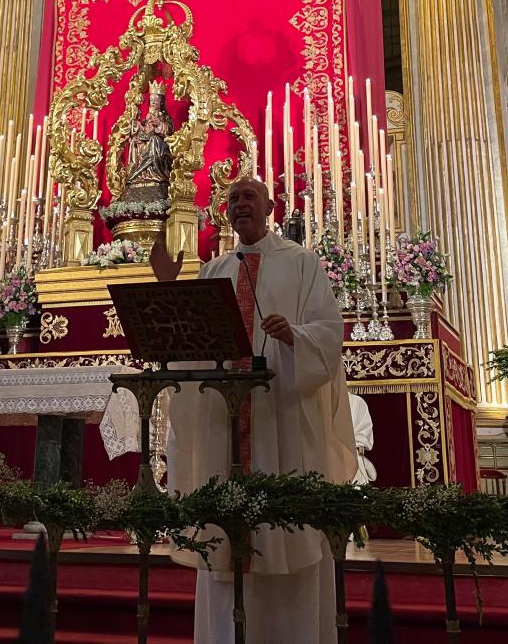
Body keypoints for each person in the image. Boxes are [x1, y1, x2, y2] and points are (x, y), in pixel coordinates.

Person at [152, 175, 356, 644]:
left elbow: (329, 334)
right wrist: (168, 290)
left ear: (270, 206)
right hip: (225, 426)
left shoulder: (302, 262)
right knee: (227, 541)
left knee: (284, 533)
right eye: (231, 199)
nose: (239, 204)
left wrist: (295, 337)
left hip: (279, 421)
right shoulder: (213, 271)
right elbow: (189, 345)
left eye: (248, 197)